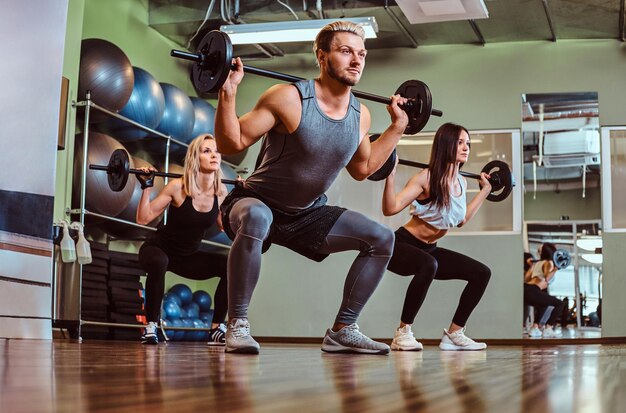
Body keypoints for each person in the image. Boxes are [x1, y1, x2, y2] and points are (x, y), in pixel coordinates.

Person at [214, 20, 409, 354]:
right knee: (259, 217)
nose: (356, 60)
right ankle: (237, 324)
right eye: (346, 51)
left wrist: (397, 127)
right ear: (322, 56)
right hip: (255, 201)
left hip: (308, 213)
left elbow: (363, 168)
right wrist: (228, 91)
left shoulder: (360, 115)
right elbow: (231, 142)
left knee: (382, 239)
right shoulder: (288, 98)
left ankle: (343, 329)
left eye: (361, 53)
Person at [381, 122, 492, 351]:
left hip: (429, 250)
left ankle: (454, 333)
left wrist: (485, 191)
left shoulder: (460, 182)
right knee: (429, 264)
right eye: (460, 142)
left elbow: (460, 220)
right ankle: (403, 333)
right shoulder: (426, 178)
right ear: (446, 144)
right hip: (401, 246)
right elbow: (390, 208)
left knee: (481, 273)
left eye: (468, 143)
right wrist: (389, 174)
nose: (466, 148)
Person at [136, 134, 229, 345]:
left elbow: (225, 227)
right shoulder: (178, 187)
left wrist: (238, 199)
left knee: (228, 265)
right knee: (160, 262)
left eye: (216, 151)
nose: (214, 155)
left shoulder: (220, 192)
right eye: (207, 151)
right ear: (196, 158)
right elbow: (143, 218)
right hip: (158, 248)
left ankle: (216, 328)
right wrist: (147, 187)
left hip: (187, 257)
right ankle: (151, 326)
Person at [523, 242, 565, 338]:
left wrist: (531, 266)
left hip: (526, 289)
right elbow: (547, 278)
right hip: (534, 290)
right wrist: (555, 269)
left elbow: (526, 279)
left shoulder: (536, 263)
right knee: (560, 304)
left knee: (544, 304)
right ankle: (548, 328)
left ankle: (535, 328)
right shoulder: (548, 262)